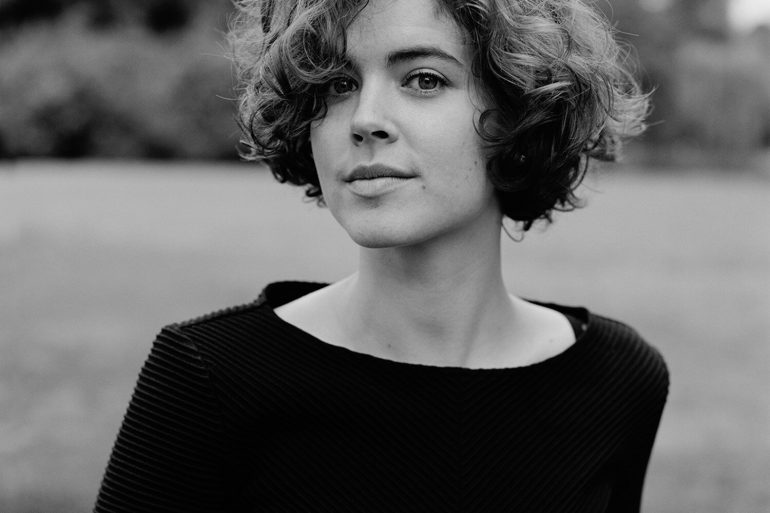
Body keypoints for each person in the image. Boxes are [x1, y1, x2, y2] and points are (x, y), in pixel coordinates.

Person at [94, 0, 669, 511]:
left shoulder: (618, 380)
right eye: (336, 85)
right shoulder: (210, 377)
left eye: (423, 80)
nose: (365, 119)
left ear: (520, 111)